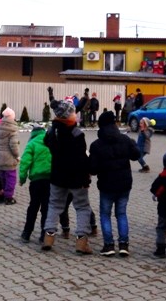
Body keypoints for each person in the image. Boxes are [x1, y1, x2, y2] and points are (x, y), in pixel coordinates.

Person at [41, 91, 93, 255]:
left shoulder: (52, 132)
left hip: (57, 175)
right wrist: (87, 176)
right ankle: (81, 242)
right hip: (77, 177)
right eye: (73, 112)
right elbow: (82, 158)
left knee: (54, 205)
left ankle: (48, 237)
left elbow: (47, 143)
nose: (75, 114)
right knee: (82, 207)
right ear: (68, 116)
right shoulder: (77, 134)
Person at [89, 110, 140, 257]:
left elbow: (92, 169)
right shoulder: (125, 140)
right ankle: (124, 244)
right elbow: (136, 155)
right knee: (121, 213)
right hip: (124, 184)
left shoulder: (96, 145)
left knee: (105, 215)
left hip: (106, 185)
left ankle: (109, 245)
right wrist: (133, 144)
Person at [19, 123, 51, 244]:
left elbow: (25, 162)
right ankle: (44, 234)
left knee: (33, 206)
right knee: (46, 208)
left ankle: (27, 233)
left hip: (36, 181)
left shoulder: (31, 144)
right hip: (50, 180)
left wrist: (22, 178)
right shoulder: (51, 142)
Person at [0, 107, 20, 205]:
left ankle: (0, 195)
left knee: (1, 177)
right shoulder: (13, 130)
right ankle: (8, 197)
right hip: (9, 158)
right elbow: (13, 146)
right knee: (11, 178)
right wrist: (17, 156)